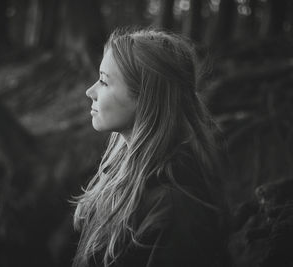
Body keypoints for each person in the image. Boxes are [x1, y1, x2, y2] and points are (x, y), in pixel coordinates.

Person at [72, 28, 231, 267]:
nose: (90, 91)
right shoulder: (120, 176)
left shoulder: (175, 208)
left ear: (146, 97)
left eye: (104, 81)